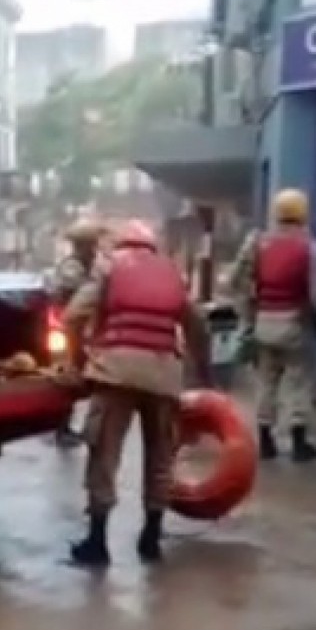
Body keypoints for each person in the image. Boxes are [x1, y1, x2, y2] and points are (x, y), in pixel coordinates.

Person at [61, 220, 211, 566]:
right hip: (164, 376)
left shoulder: (109, 267)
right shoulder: (172, 273)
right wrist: (203, 372)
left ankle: (97, 543)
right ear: (151, 246)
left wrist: (79, 360)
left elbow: (72, 317)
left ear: (121, 244)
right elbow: (197, 325)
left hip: (115, 373)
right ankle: (150, 539)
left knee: (104, 455)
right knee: (160, 458)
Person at [228, 188, 316, 462]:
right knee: (299, 381)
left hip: (264, 323)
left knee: (266, 382)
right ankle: (299, 444)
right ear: (303, 214)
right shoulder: (310, 248)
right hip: (296, 325)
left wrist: (247, 312)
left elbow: (234, 280)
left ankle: (265, 441)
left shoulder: (258, 243)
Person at [47, 217, 108, 447]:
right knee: (70, 380)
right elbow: (76, 299)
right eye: (90, 245)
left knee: (79, 380)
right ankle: (61, 427)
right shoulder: (72, 269)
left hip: (79, 331)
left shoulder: (86, 266)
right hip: (68, 331)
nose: (94, 250)